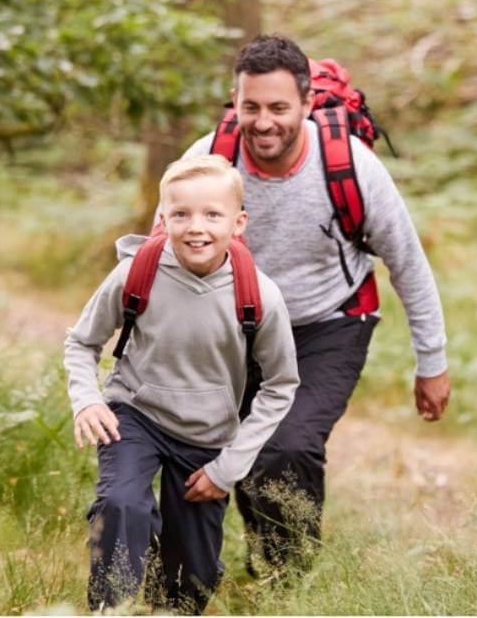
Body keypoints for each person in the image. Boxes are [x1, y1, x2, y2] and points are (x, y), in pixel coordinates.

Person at [178, 34, 452, 574]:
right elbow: (159, 253)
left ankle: (287, 585)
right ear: (234, 103)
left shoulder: (349, 167)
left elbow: (408, 263)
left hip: (329, 323)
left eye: (279, 108)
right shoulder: (208, 161)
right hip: (236, 328)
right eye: (249, 107)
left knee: (287, 446)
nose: (262, 122)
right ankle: (261, 565)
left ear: (306, 106)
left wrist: (432, 362)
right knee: (230, 445)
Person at [64, 155, 299, 613]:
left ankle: (167, 591)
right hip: (135, 413)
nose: (197, 227)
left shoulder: (261, 296)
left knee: (191, 578)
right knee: (121, 505)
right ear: (162, 218)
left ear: (238, 222)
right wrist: (87, 400)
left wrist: (228, 468)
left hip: (208, 434)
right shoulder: (136, 273)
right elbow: (81, 342)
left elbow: (280, 385)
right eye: (181, 214)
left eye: (213, 214)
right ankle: (112, 607)